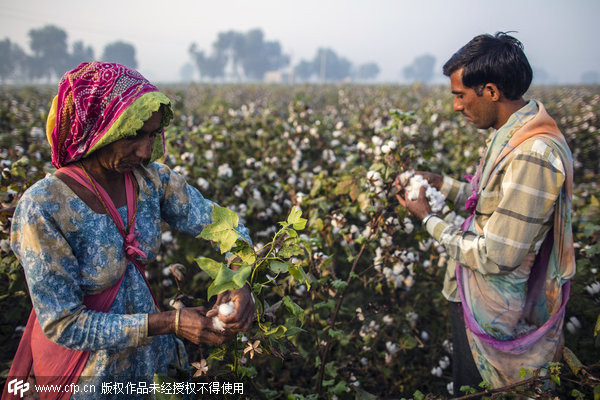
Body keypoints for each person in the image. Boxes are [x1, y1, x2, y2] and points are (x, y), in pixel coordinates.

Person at [3, 62, 254, 399]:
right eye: (134, 134)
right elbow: (63, 323)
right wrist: (169, 323)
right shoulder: (43, 207)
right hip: (84, 375)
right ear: (98, 128)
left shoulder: (152, 181)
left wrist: (240, 279)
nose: (146, 150)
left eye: (151, 134)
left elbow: (227, 227)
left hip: (148, 363)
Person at [396, 33, 575, 392]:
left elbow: (498, 255)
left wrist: (427, 218)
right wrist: (439, 182)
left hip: (491, 310)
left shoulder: (532, 153)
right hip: (473, 295)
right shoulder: (511, 134)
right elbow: (491, 204)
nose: (456, 107)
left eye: (460, 95)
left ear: (491, 91)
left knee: (478, 389)